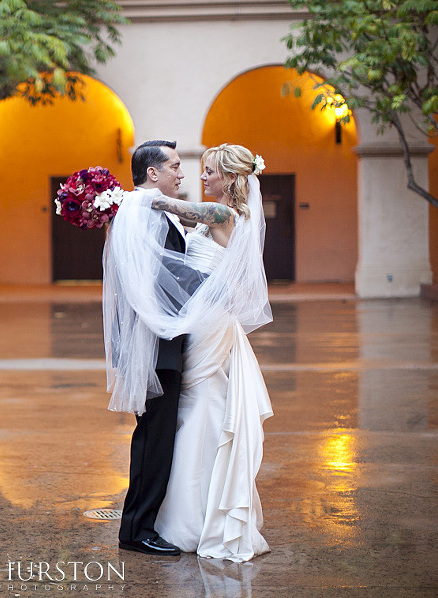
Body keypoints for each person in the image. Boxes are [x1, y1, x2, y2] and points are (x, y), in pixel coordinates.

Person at [146, 143, 274, 562]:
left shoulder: (226, 215)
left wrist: (138, 197)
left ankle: (192, 517)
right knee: (201, 401)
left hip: (211, 321)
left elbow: (180, 209)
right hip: (203, 316)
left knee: (198, 400)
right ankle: (199, 508)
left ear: (231, 179)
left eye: (211, 172)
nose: (203, 177)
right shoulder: (220, 217)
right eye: (202, 171)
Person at [105, 140, 205, 556]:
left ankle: (142, 522)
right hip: (154, 342)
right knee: (153, 437)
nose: (181, 173)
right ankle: (136, 530)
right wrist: (209, 288)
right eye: (175, 166)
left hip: (160, 340)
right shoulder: (145, 212)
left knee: (157, 434)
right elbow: (158, 274)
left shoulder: (149, 210)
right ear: (153, 173)